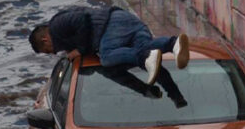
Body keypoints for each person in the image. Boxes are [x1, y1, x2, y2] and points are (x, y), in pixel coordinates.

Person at [29, 5, 190, 86]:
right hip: (127, 21)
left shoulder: (57, 25)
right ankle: (173, 44)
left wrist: (80, 50)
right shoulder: (63, 33)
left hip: (112, 23)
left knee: (106, 57)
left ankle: (145, 58)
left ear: (45, 40)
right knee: (144, 45)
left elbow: (82, 19)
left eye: (48, 51)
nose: (53, 52)